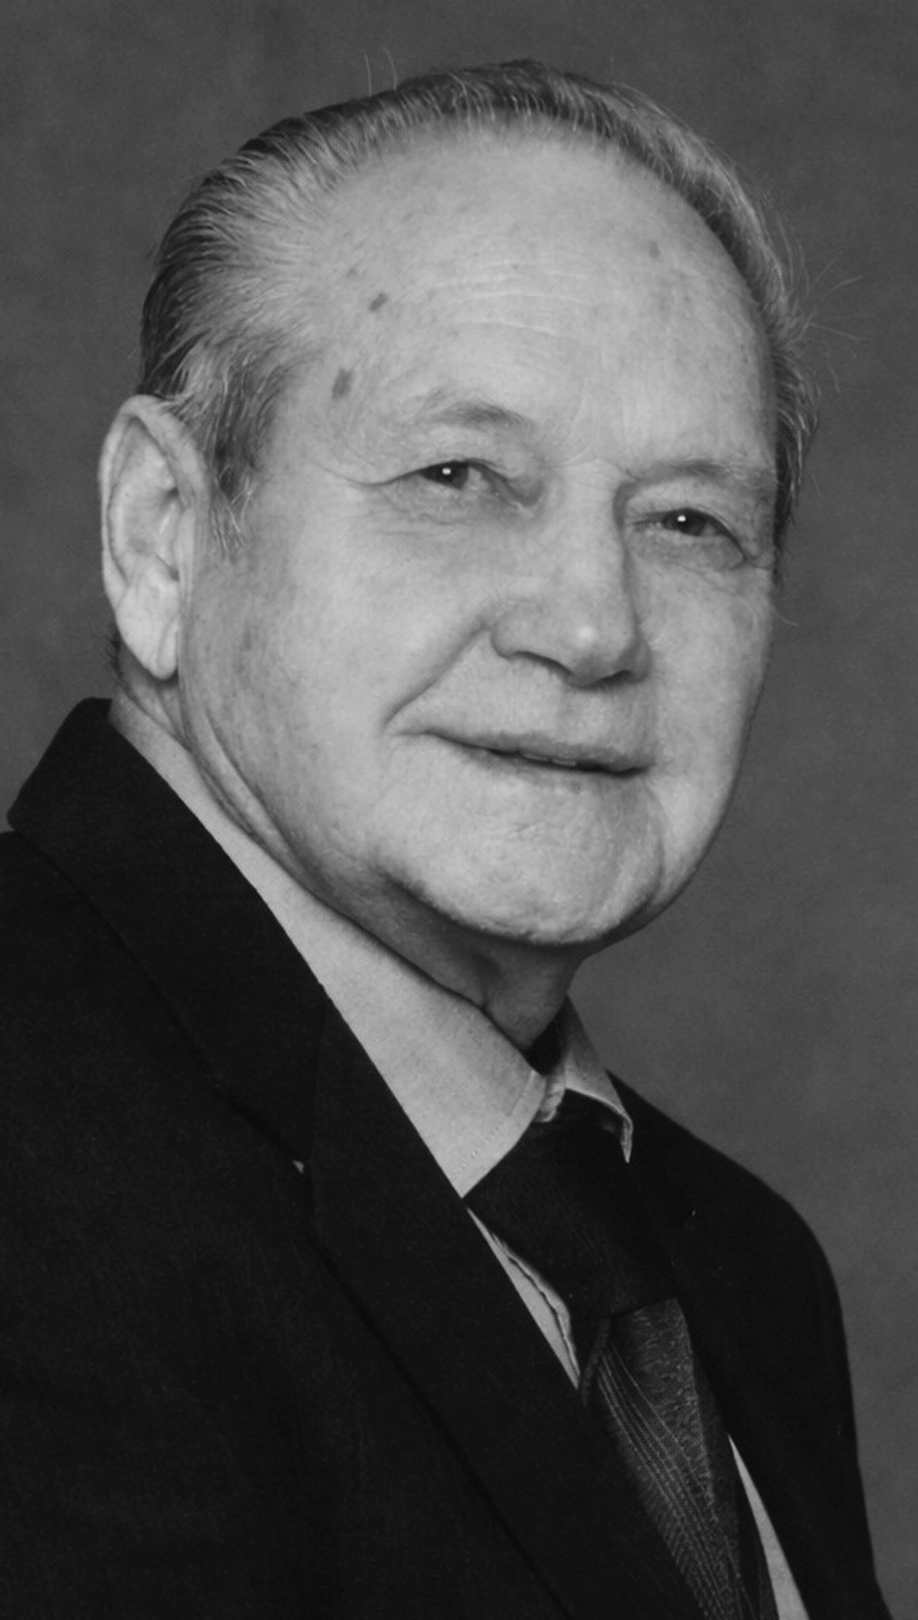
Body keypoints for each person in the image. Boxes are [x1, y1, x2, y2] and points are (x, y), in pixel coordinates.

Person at [0, 59, 890, 1620]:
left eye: (688, 521)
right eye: (459, 476)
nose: (592, 625)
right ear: (164, 535)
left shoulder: (736, 1270)